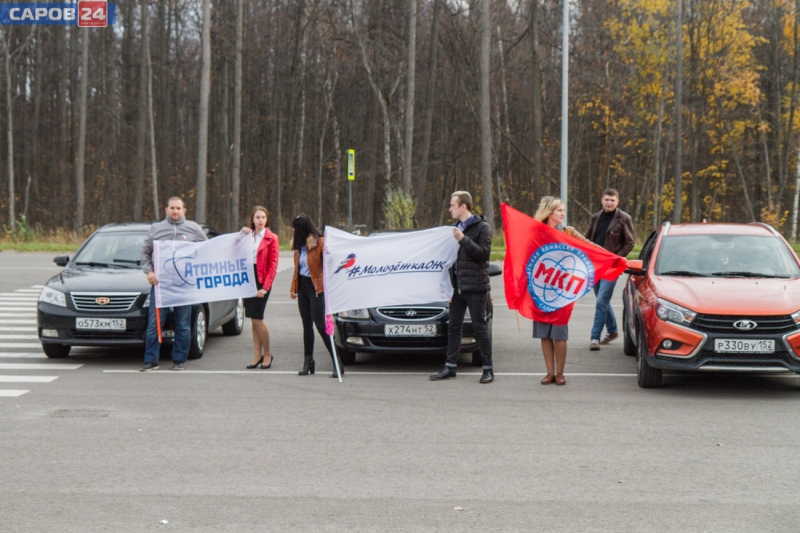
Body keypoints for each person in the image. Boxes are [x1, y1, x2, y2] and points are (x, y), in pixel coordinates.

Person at [430, 191, 494, 384]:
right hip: (457, 287)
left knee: (480, 327)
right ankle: (450, 367)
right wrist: (447, 287)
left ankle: (488, 369)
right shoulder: (453, 228)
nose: (450, 209)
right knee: (454, 327)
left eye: (453, 205)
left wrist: (463, 239)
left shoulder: (482, 227)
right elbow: (448, 260)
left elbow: (483, 254)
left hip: (475, 286)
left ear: (463, 206)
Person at [139, 196, 207, 371]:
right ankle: (151, 361)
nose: (175, 211)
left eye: (178, 208)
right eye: (172, 208)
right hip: (161, 286)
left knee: (183, 324)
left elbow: (209, 250)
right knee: (155, 324)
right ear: (166, 210)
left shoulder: (194, 229)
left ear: (184, 210)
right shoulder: (156, 229)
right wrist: (149, 272)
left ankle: (179, 360)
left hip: (184, 286)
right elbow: (145, 253)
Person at [533, 196, 592, 386]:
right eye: (560, 210)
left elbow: (589, 246)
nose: (563, 213)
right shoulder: (536, 233)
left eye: (563, 210)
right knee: (545, 333)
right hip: (540, 289)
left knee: (560, 334)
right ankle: (549, 373)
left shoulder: (569, 231)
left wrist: (612, 257)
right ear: (550, 213)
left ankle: (560, 373)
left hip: (563, 289)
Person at [289, 214, 342, 377]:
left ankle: (337, 361)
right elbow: (297, 269)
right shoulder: (298, 246)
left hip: (316, 287)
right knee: (307, 325)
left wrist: (330, 253)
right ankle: (308, 361)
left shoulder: (319, 242)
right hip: (303, 286)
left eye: (295, 229)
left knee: (320, 325)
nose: (293, 231)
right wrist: (293, 287)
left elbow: (331, 262)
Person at [584, 188, 635, 351]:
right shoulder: (596, 217)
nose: (609, 202)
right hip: (595, 265)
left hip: (611, 267)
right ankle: (612, 331)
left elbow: (630, 242)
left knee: (600, 301)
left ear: (617, 202)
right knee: (602, 299)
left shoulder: (624, 218)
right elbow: (586, 240)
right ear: (602, 200)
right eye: (607, 199)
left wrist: (616, 258)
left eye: (612, 200)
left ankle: (594, 337)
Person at [240, 206, 279, 369]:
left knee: (258, 318)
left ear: (267, 220)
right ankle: (257, 354)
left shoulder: (272, 238)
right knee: (253, 318)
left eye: (263, 217)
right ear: (253, 219)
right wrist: (241, 234)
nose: (261, 220)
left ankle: (268, 353)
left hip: (262, 279)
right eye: (258, 217)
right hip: (248, 278)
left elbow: (273, 264)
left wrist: (265, 287)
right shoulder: (248, 236)